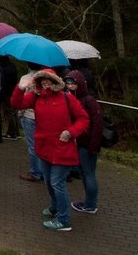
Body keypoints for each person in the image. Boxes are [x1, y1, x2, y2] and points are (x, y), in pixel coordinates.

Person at [11, 69, 90, 232]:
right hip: (44, 148)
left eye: (48, 80)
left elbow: (84, 119)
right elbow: (17, 104)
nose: (45, 83)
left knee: (56, 183)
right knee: (48, 181)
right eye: (42, 80)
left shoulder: (66, 98)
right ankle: (55, 206)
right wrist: (20, 88)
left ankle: (64, 219)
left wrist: (70, 132)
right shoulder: (36, 96)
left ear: (55, 81)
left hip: (62, 149)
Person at [65, 70, 103, 215]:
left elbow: (97, 123)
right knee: (83, 172)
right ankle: (88, 201)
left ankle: (91, 203)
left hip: (87, 143)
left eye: (73, 83)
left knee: (89, 173)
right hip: (78, 141)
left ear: (80, 84)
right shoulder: (70, 98)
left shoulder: (89, 100)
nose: (70, 85)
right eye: (68, 82)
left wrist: (93, 145)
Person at [17, 62, 46, 182]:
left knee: (32, 145)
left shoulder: (26, 78)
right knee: (43, 144)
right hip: (42, 116)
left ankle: (35, 172)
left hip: (29, 114)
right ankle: (45, 171)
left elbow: (22, 97)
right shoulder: (45, 79)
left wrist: (20, 113)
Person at [0, 55, 20, 140]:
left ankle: (12, 132)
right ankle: (14, 132)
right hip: (12, 92)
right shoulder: (12, 67)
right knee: (13, 113)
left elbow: (4, 83)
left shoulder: (4, 69)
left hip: (6, 94)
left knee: (8, 113)